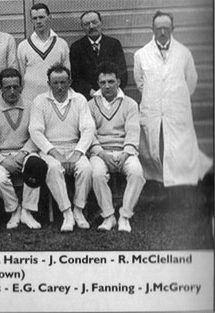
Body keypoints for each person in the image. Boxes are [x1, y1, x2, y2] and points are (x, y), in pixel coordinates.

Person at [133, 11, 212, 187]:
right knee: (156, 148)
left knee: (179, 149)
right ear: (152, 29)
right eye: (158, 28)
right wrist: (156, 98)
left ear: (173, 29)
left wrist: (175, 99)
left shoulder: (184, 53)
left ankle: (181, 187)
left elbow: (191, 80)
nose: (162, 32)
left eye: (166, 28)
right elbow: (140, 83)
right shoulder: (141, 54)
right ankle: (158, 183)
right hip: (153, 110)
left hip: (176, 110)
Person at [29, 64, 94, 232]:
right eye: (55, 83)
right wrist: (54, 153)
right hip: (50, 149)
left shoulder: (79, 99)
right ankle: (67, 213)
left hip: (74, 146)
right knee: (53, 167)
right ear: (48, 83)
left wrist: (77, 153)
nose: (59, 87)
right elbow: (35, 131)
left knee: (86, 168)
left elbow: (88, 129)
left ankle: (78, 210)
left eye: (63, 82)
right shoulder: (40, 101)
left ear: (70, 81)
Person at [0, 68, 42, 230]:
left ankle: (27, 210)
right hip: (1, 155)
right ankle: (14, 209)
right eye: (7, 87)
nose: (12, 91)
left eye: (15, 87)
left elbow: (37, 135)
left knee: (37, 166)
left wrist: (23, 153)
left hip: (25, 153)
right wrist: (3, 161)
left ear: (21, 87)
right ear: (0, 88)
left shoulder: (31, 106)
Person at [88, 62, 145, 232]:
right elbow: (90, 135)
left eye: (111, 81)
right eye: (103, 82)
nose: (107, 86)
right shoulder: (90, 105)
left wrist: (125, 154)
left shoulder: (130, 104)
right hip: (100, 153)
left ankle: (125, 216)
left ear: (119, 82)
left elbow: (133, 132)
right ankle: (108, 216)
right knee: (97, 174)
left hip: (124, 152)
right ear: (98, 84)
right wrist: (102, 154)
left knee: (137, 173)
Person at [17, 3, 70, 106]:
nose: (38, 21)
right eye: (35, 18)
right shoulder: (23, 46)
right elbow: (21, 74)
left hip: (55, 98)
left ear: (49, 18)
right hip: (30, 99)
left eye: (41, 17)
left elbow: (67, 73)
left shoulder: (61, 44)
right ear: (31, 20)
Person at [70, 11, 127, 100]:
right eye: (86, 24)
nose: (91, 26)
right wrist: (91, 92)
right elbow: (75, 78)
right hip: (88, 98)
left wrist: (112, 90)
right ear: (82, 28)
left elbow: (122, 72)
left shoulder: (114, 44)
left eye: (94, 22)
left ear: (101, 23)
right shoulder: (76, 48)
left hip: (113, 96)